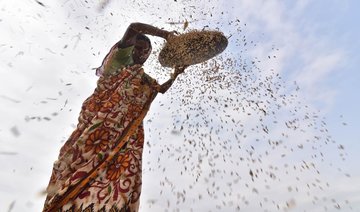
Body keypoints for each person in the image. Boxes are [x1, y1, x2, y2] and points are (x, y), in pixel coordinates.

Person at [43, 22, 186, 212]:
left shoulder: (143, 78)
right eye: (138, 48)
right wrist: (166, 34)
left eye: (146, 52)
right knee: (76, 170)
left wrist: (176, 74)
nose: (141, 53)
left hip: (124, 139)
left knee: (117, 181)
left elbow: (160, 89)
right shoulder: (119, 61)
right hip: (96, 133)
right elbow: (134, 27)